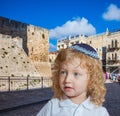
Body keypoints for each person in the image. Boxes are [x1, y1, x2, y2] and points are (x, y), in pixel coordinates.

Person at [37, 43, 110, 116]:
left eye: (76, 74)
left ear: (91, 79)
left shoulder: (100, 112)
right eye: (63, 72)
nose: (67, 79)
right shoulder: (52, 107)